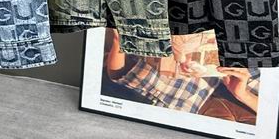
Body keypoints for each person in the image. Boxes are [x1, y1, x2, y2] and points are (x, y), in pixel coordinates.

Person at [104, 29, 259, 117]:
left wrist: (243, 95)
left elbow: (120, 75)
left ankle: (120, 40)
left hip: (190, 98)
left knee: (141, 75)